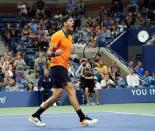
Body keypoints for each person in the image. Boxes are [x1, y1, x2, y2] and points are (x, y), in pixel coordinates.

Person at [28, 15, 98, 127]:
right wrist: (55, 53)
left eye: (73, 21)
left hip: (63, 67)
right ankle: (82, 118)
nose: (73, 23)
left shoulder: (69, 37)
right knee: (71, 89)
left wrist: (77, 59)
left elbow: (66, 54)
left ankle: (35, 115)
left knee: (55, 96)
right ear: (64, 23)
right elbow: (48, 53)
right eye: (70, 21)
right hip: (56, 66)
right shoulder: (57, 35)